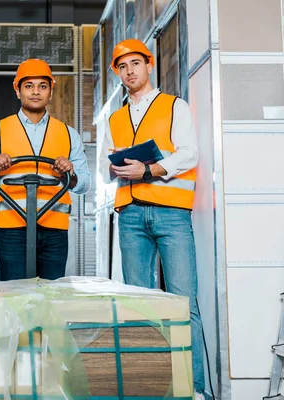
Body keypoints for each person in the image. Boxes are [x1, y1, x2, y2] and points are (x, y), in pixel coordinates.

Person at [99, 38, 205, 399]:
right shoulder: (114, 118)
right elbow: (105, 171)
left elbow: (189, 155)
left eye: (135, 64)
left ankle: (193, 388)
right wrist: (117, 168)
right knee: (138, 306)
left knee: (183, 303)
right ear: (118, 73)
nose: (130, 71)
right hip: (129, 216)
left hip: (171, 215)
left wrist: (149, 169)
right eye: (123, 66)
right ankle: (147, 386)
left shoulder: (174, 106)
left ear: (148, 66)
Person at [0, 58, 91, 281]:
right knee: (16, 297)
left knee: (51, 298)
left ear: (50, 92)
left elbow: (84, 183)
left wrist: (70, 174)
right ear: (18, 91)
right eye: (29, 86)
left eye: (42, 86)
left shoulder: (68, 134)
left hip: (54, 231)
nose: (36, 92)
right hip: (11, 229)